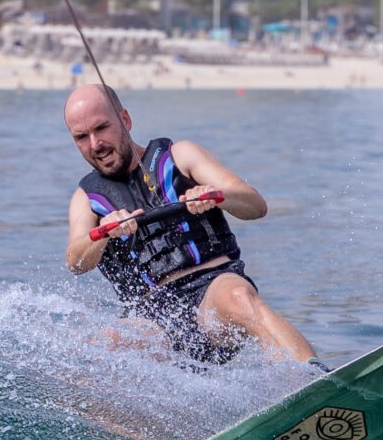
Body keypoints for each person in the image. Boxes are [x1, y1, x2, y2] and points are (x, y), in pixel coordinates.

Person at [64, 84, 327, 369]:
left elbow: (255, 205)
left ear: (125, 119)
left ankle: (313, 380)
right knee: (101, 346)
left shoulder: (181, 156)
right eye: (81, 137)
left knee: (241, 299)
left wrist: (216, 196)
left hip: (213, 291)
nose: (95, 144)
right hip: (151, 316)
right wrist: (102, 233)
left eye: (102, 128)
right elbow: (75, 261)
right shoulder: (85, 200)